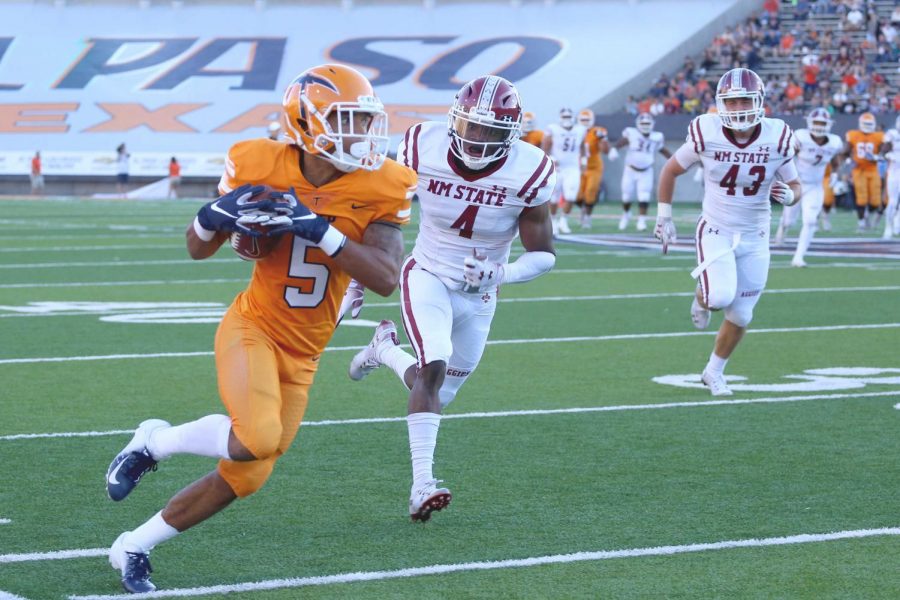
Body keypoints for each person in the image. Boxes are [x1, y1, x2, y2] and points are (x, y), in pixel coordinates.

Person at [103, 64, 415, 593]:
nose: (362, 134)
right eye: (347, 120)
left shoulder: (383, 182)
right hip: (255, 328)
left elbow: (385, 278)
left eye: (365, 121)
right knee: (258, 437)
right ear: (306, 120)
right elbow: (198, 248)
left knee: (249, 472)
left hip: (307, 349)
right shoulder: (258, 162)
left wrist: (317, 228)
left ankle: (132, 545)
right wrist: (214, 215)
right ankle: (156, 440)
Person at [347, 75, 556, 522]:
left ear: (512, 132)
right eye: (471, 127)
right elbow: (378, 213)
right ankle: (422, 484)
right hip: (428, 272)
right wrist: (356, 279)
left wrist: (501, 272)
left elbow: (544, 256)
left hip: (481, 292)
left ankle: (383, 350)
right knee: (435, 365)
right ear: (454, 119)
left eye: (490, 131)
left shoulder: (531, 169)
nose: (477, 140)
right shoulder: (422, 143)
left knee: (442, 390)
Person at [654, 67, 802, 397]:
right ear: (721, 104)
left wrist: (791, 195)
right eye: (731, 102)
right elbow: (670, 170)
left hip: (756, 234)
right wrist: (664, 217)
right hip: (717, 229)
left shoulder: (777, 137)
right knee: (719, 297)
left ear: (759, 101)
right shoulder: (707, 131)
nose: (738, 109)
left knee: (742, 312)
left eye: (744, 101)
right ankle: (701, 297)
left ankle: (713, 371)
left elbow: (795, 183)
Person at [775, 107, 842, 266]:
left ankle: (798, 256)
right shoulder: (801, 137)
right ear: (810, 123)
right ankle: (783, 228)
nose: (819, 126)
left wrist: (835, 174)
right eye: (816, 122)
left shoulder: (834, 142)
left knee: (810, 221)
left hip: (815, 186)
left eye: (822, 123)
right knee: (789, 220)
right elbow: (788, 157)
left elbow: (835, 160)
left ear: (829, 124)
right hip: (797, 184)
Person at [613, 113, 671, 232]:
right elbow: (622, 141)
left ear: (652, 124)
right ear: (638, 124)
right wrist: (615, 149)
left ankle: (642, 220)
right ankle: (626, 214)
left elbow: (662, 150)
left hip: (646, 171)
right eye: (643, 123)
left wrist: (675, 160)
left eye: (647, 123)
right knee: (626, 196)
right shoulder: (631, 133)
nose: (645, 126)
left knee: (644, 195)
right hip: (630, 169)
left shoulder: (657, 136)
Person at [542, 107, 585, 234]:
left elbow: (582, 146)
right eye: (564, 117)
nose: (567, 120)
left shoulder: (580, 130)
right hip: (557, 168)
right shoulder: (553, 129)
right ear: (560, 118)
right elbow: (544, 148)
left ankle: (564, 220)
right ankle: (554, 221)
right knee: (554, 198)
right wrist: (552, 158)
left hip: (572, 168)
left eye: (568, 117)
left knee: (571, 196)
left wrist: (583, 161)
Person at [844, 112, 885, 231]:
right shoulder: (853, 135)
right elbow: (846, 150)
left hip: (873, 169)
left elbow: (884, 150)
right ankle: (861, 222)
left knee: (876, 201)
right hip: (859, 170)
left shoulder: (879, 136)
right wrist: (849, 161)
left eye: (869, 124)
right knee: (861, 198)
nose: (867, 126)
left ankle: (867, 215)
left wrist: (879, 156)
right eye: (865, 123)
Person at [575, 109, 610, 229]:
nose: (585, 122)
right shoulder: (574, 131)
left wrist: (603, 139)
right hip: (578, 167)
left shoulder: (597, 131)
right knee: (576, 196)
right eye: (583, 120)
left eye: (587, 120)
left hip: (594, 167)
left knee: (590, 192)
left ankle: (587, 217)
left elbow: (605, 150)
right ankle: (584, 211)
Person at [881, 114, 900, 238]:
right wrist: (888, 156)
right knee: (892, 201)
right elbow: (883, 151)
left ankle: (897, 223)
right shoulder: (892, 134)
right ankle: (888, 226)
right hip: (895, 171)